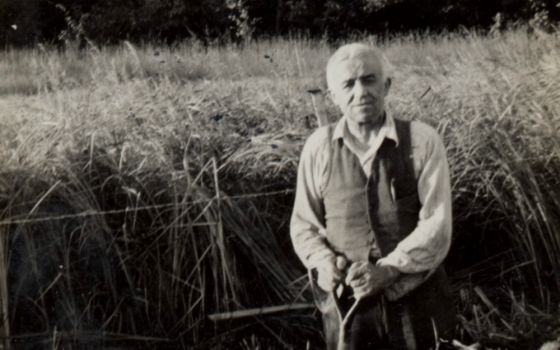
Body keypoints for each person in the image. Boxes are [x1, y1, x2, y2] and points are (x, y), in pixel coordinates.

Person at [290, 43, 456, 350]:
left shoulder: (422, 141)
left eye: (369, 79)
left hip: (417, 307)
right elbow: (304, 225)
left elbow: (437, 225)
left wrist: (389, 270)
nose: (361, 91)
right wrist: (325, 263)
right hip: (349, 316)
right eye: (348, 84)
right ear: (333, 96)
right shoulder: (318, 147)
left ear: (387, 85)